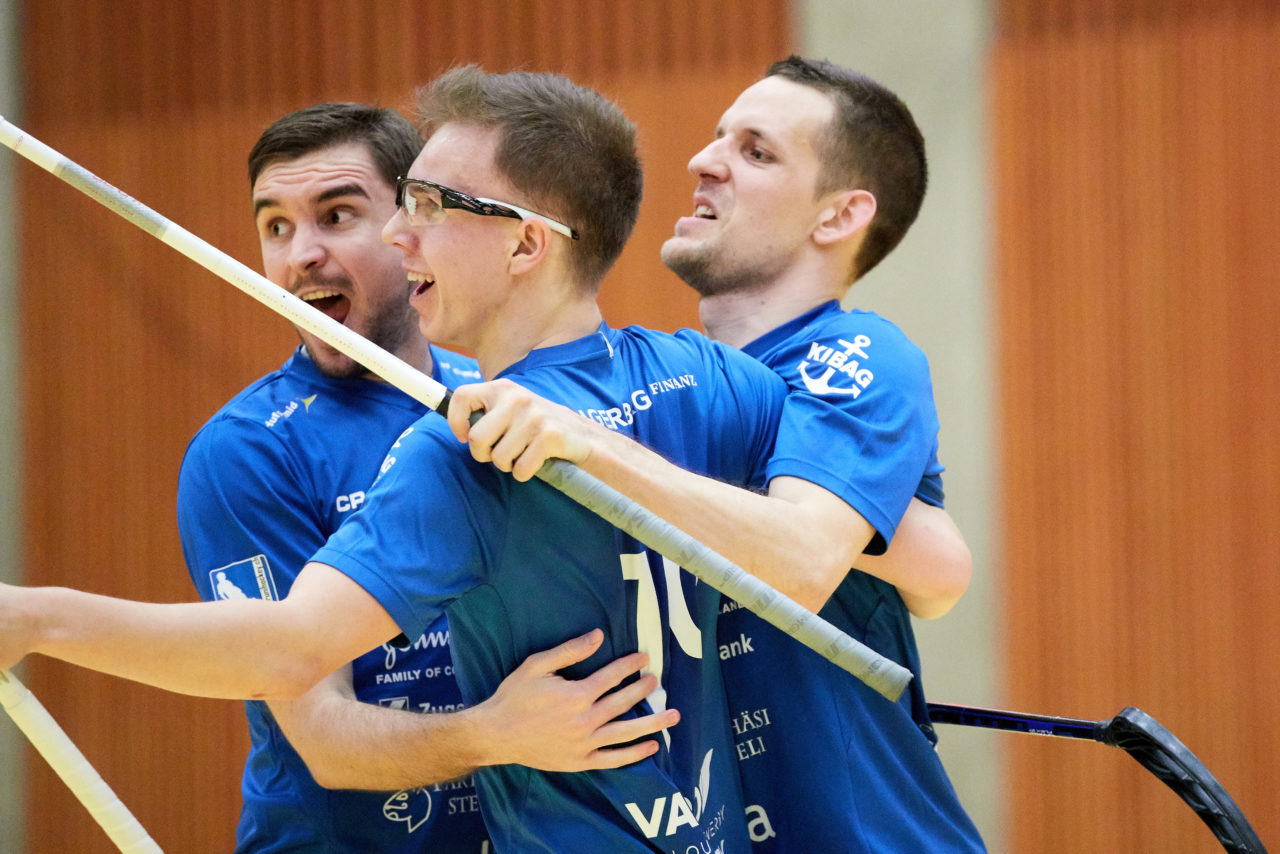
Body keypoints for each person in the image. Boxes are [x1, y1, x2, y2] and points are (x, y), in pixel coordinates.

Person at [0, 68, 796, 852]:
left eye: (422, 207)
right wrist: (493, 733)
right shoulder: (706, 372)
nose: (394, 236)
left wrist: (40, 618)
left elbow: (288, 645)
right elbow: (835, 536)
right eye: (274, 227)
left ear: (526, 242)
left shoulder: (468, 441)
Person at [444, 56, 985, 851]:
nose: (703, 161)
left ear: (838, 215)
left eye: (756, 152)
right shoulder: (677, 387)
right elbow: (934, 569)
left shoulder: (857, 352)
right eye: (718, 137)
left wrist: (591, 446)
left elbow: (803, 559)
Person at [176, 102, 673, 852]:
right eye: (275, 227)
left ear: (412, 226)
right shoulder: (244, 452)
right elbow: (324, 741)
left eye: (336, 216)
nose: (300, 255)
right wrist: (496, 733)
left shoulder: (503, 393)